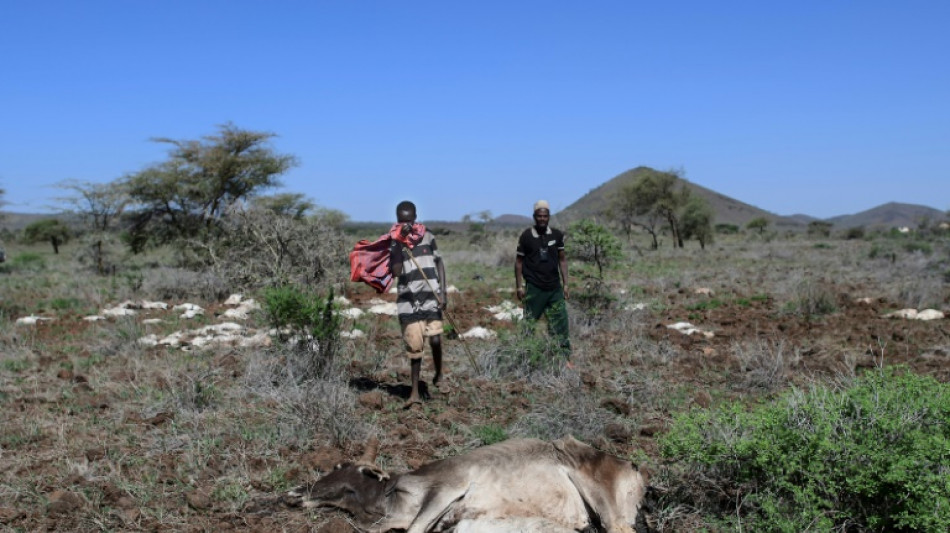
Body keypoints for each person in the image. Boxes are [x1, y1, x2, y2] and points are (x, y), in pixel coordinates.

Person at [389, 200, 447, 406]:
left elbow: (439, 263)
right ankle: (414, 392)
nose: (406, 224)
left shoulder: (428, 235)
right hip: (408, 301)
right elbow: (395, 271)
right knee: (415, 347)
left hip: (431, 296)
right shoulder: (394, 241)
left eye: (409, 220)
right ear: (397, 220)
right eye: (402, 221)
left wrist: (443, 292)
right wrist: (399, 242)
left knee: (436, 340)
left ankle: (439, 375)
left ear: (415, 218)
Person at [514, 200, 571, 357]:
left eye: (545, 216)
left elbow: (563, 259)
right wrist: (519, 286)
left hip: (554, 288)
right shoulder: (526, 236)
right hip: (534, 287)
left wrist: (566, 284)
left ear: (549, 217)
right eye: (539, 216)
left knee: (560, 323)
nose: (542, 219)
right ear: (534, 216)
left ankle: (563, 356)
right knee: (529, 323)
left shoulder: (557, 235)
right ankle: (525, 355)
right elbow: (518, 262)